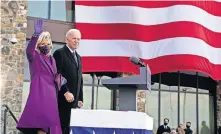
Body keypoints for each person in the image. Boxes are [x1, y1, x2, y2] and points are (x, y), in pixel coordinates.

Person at [17, 19, 61, 134]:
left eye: (47, 43)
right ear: (38, 45)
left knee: (51, 129)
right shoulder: (35, 56)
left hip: (51, 97)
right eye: (42, 43)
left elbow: (56, 76)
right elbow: (29, 51)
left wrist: (64, 86)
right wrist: (36, 35)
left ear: (50, 44)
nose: (45, 45)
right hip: (39, 94)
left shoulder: (53, 60)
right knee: (40, 127)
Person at [53, 29, 84, 134]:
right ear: (67, 39)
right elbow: (57, 75)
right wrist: (65, 91)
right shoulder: (59, 53)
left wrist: (80, 98)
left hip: (75, 103)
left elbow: (80, 78)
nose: (77, 41)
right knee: (61, 129)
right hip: (62, 101)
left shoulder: (79, 57)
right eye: (74, 38)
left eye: (79, 39)